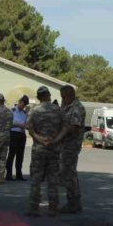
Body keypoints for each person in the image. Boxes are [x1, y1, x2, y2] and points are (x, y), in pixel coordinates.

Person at [25, 86, 63, 217]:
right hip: (54, 147)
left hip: (39, 149)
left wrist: (41, 140)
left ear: (38, 97)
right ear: (48, 95)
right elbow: (65, 128)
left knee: (36, 178)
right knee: (53, 178)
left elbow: (30, 129)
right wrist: (54, 140)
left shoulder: (34, 111)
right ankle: (53, 208)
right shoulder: (58, 110)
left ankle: (34, 207)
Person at [54, 84, 86, 213]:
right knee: (67, 173)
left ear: (70, 95)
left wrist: (62, 131)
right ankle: (72, 201)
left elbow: (74, 127)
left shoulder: (76, 108)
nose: (62, 99)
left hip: (71, 146)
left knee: (70, 173)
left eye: (64, 97)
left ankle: (73, 202)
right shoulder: (67, 107)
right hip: (65, 145)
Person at [6, 95, 29, 180]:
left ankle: (19, 174)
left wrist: (26, 125)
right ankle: (9, 174)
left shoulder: (25, 113)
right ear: (19, 102)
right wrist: (19, 124)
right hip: (13, 133)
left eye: (24, 105)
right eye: (22, 104)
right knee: (12, 154)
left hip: (22, 134)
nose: (23, 107)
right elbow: (9, 123)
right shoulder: (11, 111)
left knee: (20, 155)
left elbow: (27, 123)